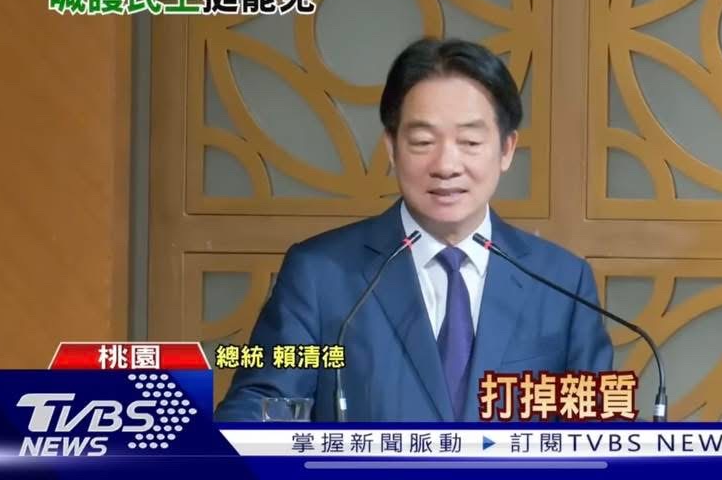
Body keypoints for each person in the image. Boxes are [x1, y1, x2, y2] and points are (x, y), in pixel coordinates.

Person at [214, 37, 614, 422]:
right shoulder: (321, 274)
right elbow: (261, 404)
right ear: (391, 147)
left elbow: (597, 428)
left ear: (506, 149)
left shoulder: (562, 282)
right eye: (423, 141)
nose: (446, 165)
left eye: (470, 141)